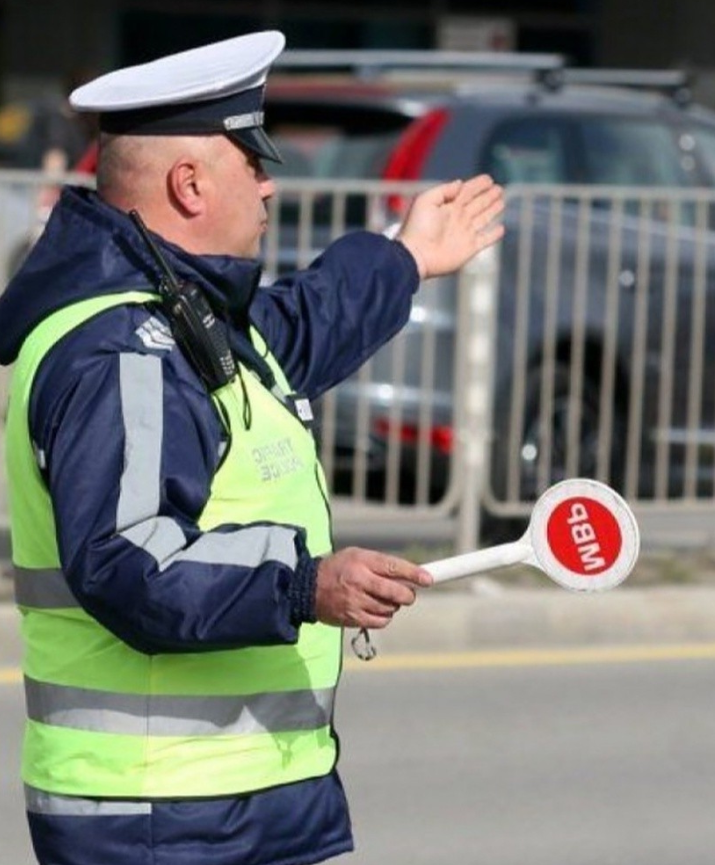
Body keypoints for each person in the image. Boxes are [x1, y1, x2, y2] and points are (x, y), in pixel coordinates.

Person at [0, 30, 504, 865]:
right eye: (252, 159)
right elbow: (129, 561)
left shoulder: (184, 322)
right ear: (189, 183)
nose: (270, 184)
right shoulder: (123, 349)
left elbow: (296, 330)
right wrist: (306, 584)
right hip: (162, 813)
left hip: (234, 799)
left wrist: (406, 257)